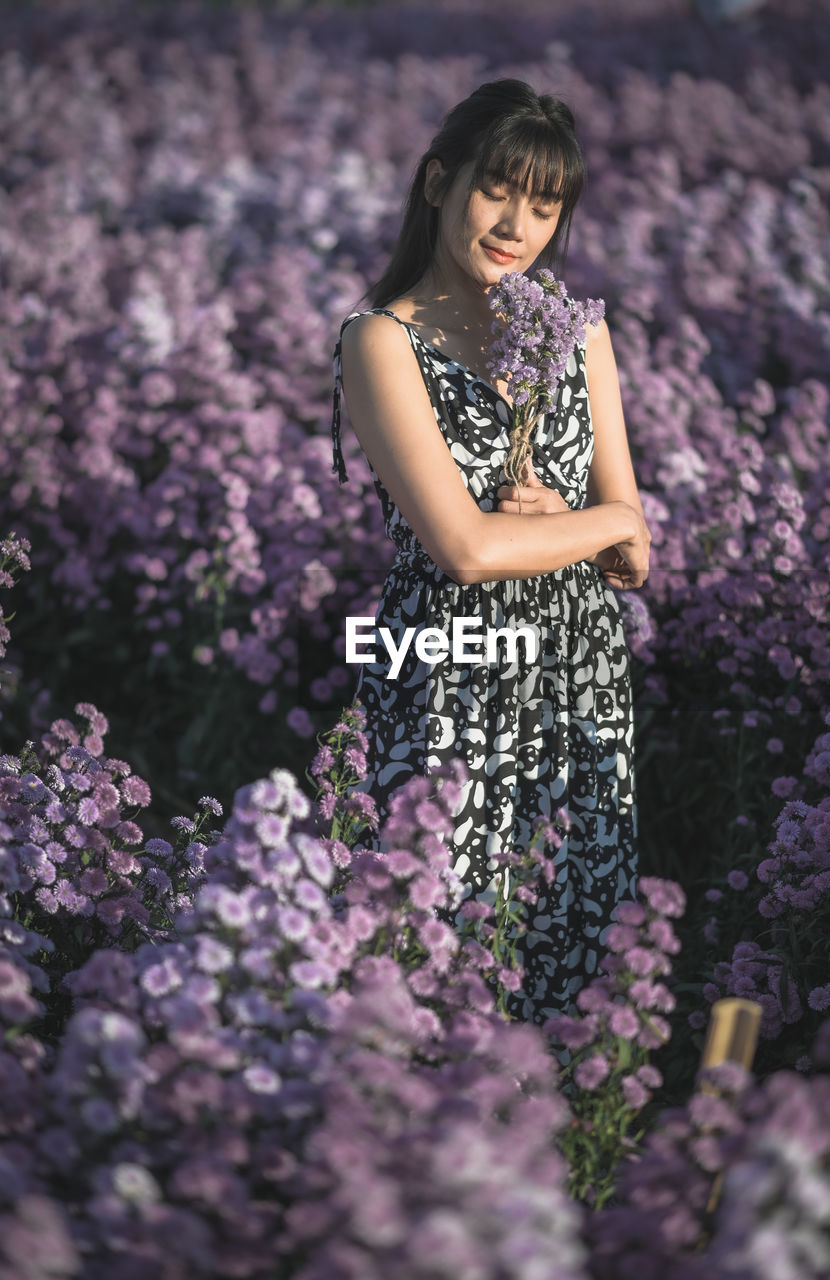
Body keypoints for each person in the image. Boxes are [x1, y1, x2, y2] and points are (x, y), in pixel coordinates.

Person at [330, 78, 651, 1025]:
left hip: (577, 677)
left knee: (571, 945)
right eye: (496, 192)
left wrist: (584, 526)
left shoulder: (577, 331)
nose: (517, 225)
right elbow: (465, 550)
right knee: (439, 952)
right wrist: (599, 531)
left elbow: (632, 544)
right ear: (438, 182)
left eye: (544, 208)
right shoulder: (380, 340)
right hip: (448, 669)